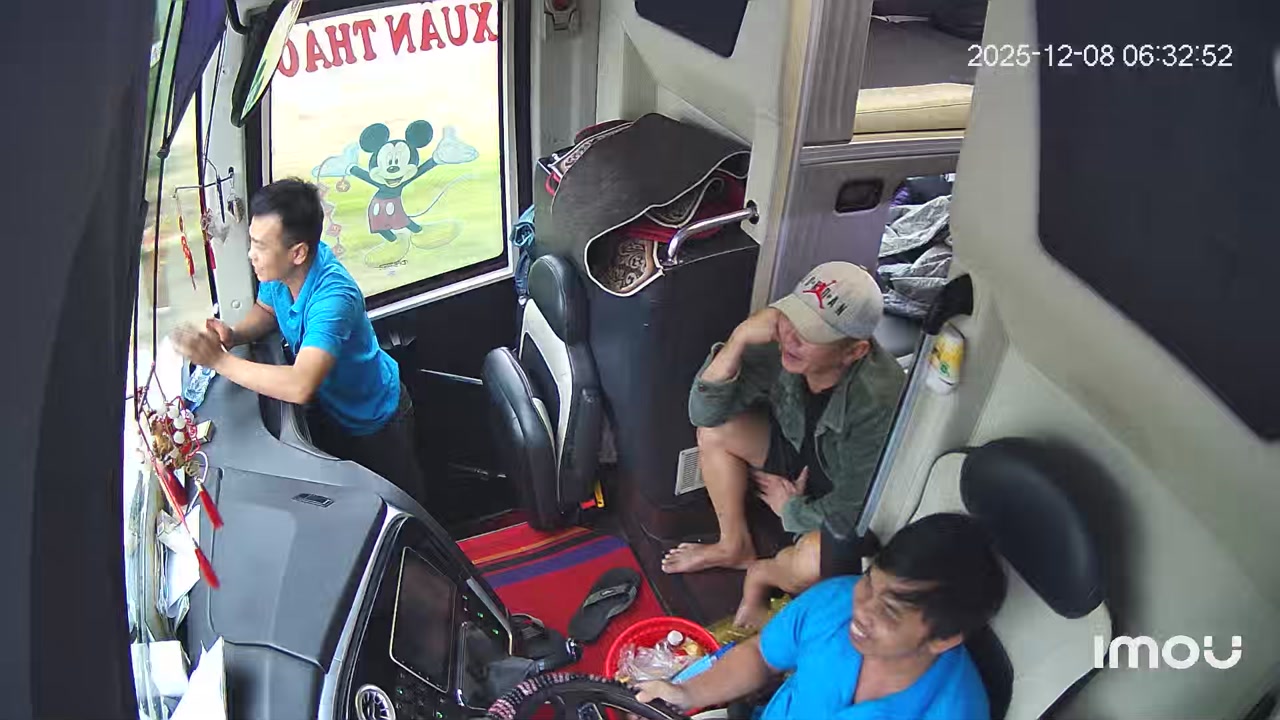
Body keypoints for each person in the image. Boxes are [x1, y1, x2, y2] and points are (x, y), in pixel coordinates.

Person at [171, 178, 425, 502]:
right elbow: (267, 310)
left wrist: (219, 360)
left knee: (401, 502)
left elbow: (300, 385)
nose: (251, 255)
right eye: (251, 242)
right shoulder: (281, 273)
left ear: (298, 253)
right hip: (334, 410)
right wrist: (234, 335)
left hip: (377, 420)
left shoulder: (334, 298)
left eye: (260, 246)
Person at [662, 262, 906, 579]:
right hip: (794, 447)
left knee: (814, 562)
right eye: (793, 318)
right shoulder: (780, 339)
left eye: (811, 333)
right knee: (715, 431)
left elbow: (854, 508)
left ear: (854, 352)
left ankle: (763, 575)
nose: (792, 338)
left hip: (832, 493)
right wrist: (738, 339)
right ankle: (734, 545)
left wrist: (791, 509)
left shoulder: (878, 399)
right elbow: (704, 414)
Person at [636, 513, 1007, 719]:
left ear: (943, 638)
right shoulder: (836, 599)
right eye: (869, 583)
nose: (862, 610)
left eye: (891, 610)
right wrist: (686, 692)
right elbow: (761, 655)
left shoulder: (958, 711)